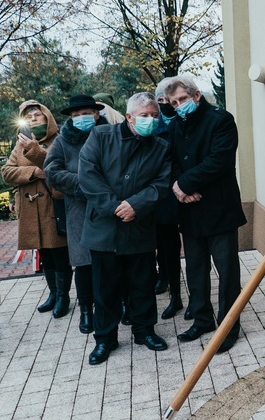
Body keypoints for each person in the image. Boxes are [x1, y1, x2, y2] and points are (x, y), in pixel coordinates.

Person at [79, 92, 171, 365]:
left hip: (138, 227)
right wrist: (115, 206)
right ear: (130, 116)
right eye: (145, 115)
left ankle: (145, 331)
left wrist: (136, 205)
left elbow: (161, 184)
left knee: (142, 283)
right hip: (104, 229)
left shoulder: (160, 146)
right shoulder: (101, 136)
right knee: (105, 289)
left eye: (155, 115)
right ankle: (105, 338)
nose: (151, 120)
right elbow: (88, 175)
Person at [165, 76, 246, 354]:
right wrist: (180, 189)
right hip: (189, 208)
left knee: (227, 272)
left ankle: (228, 326)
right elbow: (172, 162)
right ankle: (202, 319)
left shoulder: (220, 119)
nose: (178, 106)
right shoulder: (175, 126)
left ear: (196, 95)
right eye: (174, 103)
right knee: (195, 269)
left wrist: (185, 184)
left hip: (219, 207)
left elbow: (219, 160)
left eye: (182, 100)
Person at [44, 94, 109, 334]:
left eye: (85, 114)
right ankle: (86, 311)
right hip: (78, 210)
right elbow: (51, 170)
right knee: (83, 264)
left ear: (96, 113)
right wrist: (83, 185)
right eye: (75, 115)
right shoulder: (62, 141)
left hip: (109, 206)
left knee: (112, 261)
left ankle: (120, 304)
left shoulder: (110, 133)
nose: (80, 118)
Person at [1, 100, 71, 318]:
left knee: (60, 253)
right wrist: (33, 172)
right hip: (31, 210)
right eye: (28, 116)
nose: (33, 118)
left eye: (37, 115)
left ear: (47, 117)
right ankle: (53, 293)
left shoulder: (60, 139)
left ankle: (64, 296)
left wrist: (37, 154)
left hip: (52, 207)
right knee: (44, 254)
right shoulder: (20, 144)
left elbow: (60, 168)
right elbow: (7, 172)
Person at [152, 78, 184, 319]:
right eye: (160, 100)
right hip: (160, 194)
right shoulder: (153, 123)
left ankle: (179, 293)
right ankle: (166, 282)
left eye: (168, 100)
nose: (164, 104)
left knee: (177, 246)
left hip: (182, 189)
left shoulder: (183, 120)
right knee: (163, 245)